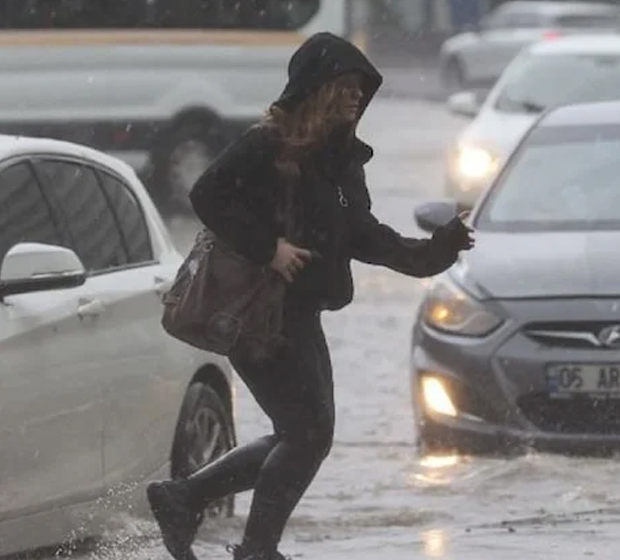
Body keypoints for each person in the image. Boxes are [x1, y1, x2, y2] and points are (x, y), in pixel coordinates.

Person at [146, 32, 475, 560]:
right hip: (258, 313)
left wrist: (436, 252)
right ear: (316, 90)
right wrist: (268, 248)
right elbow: (206, 194)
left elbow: (364, 236)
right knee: (307, 434)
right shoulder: (267, 145)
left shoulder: (342, 161)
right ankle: (252, 547)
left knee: (305, 434)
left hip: (300, 315)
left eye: (361, 90)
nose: (355, 97)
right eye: (345, 86)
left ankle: (185, 497)